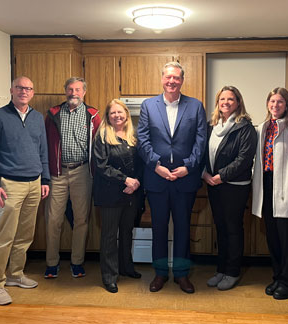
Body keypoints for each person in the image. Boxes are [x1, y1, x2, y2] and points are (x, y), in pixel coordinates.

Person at [137, 61, 207, 294]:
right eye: (168, 77)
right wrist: (156, 165)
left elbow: (200, 141)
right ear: (162, 79)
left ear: (182, 80)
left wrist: (188, 166)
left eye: (176, 77)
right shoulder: (148, 106)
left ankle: (181, 275)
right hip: (157, 179)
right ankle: (159, 274)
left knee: (182, 229)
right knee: (158, 229)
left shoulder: (195, 106)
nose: (172, 81)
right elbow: (143, 139)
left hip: (185, 179)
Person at [0, 76, 50, 305]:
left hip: (34, 183)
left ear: (33, 93)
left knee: (25, 235)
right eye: (20, 87)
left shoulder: (37, 118)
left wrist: (45, 179)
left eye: (29, 88)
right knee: (5, 236)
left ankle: (15, 275)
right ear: (11, 89)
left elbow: (43, 151)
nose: (24, 91)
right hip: (9, 184)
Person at [44, 77, 101, 279]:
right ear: (65, 91)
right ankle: (51, 263)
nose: (73, 93)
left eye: (77, 89)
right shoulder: (53, 114)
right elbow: (44, 145)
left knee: (81, 220)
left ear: (84, 92)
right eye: (70, 89)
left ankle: (77, 262)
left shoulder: (93, 115)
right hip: (57, 173)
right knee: (53, 220)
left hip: (83, 172)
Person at [251, 87, 288, 300]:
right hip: (267, 183)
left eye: (280, 102)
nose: (275, 105)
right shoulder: (262, 127)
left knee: (286, 238)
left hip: (287, 185)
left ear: (287, 105)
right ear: (267, 104)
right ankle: (278, 277)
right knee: (272, 237)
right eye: (272, 101)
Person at [202, 86, 256, 291]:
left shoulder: (245, 128)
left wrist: (221, 176)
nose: (226, 102)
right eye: (222, 99)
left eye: (230, 99)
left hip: (234, 186)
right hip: (213, 184)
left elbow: (244, 159)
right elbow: (203, 152)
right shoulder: (212, 125)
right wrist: (205, 174)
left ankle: (232, 272)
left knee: (233, 229)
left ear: (238, 102)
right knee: (221, 228)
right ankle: (221, 270)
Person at [92, 99, 143, 293]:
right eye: (113, 113)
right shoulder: (103, 136)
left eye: (120, 112)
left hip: (131, 193)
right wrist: (125, 180)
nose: (117, 116)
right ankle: (109, 276)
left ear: (126, 115)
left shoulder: (133, 136)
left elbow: (141, 163)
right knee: (109, 236)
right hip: (110, 193)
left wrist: (135, 182)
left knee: (127, 232)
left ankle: (126, 267)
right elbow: (101, 166)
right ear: (108, 116)